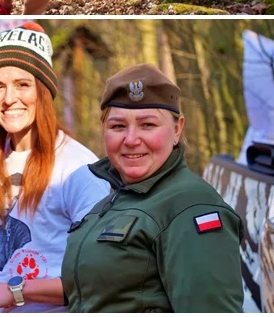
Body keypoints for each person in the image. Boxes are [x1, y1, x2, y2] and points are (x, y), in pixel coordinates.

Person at [61, 64, 244, 312]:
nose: (132, 139)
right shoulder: (112, 201)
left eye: (147, 125)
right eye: (118, 126)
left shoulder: (190, 206)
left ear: (177, 129)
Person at [0, 24, 109, 313]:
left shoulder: (79, 168)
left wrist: (14, 292)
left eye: (22, 84)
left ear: (43, 91)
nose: (8, 99)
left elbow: (101, 278)